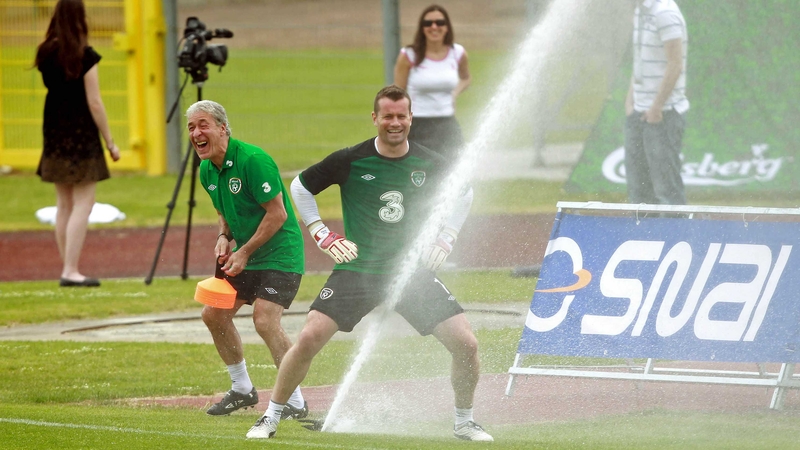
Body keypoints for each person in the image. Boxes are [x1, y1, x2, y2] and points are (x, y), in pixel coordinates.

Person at [245, 86, 493, 442]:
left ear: (411, 119)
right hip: (358, 270)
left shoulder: (431, 161)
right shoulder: (350, 159)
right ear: (375, 118)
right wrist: (322, 234)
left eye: (401, 116)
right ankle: (270, 417)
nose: (395, 123)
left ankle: (465, 422)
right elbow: (300, 186)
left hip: (410, 273)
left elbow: (464, 192)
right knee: (310, 337)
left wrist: (446, 237)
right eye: (387, 116)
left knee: (466, 344)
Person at [185, 100, 308, 419]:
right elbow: (222, 208)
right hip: (245, 255)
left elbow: (278, 214)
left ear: (223, 128)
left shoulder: (253, 160)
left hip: (280, 254)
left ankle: (295, 400)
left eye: (203, 125)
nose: (196, 133)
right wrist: (223, 236)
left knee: (265, 320)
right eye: (191, 127)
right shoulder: (205, 168)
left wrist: (243, 252)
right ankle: (242, 389)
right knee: (213, 315)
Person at [34, 0, 121, 287]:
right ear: (80, 19)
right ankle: (70, 270)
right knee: (84, 201)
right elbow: (94, 102)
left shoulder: (45, 51)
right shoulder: (84, 55)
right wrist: (110, 141)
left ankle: (67, 267)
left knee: (64, 204)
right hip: (81, 134)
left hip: (54, 131)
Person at [624, 0, 689, 205]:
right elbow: (640, 60)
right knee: (639, 191)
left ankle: (676, 236)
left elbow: (675, 63)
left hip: (663, 116)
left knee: (667, 190)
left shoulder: (665, 13)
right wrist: (630, 101)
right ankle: (643, 236)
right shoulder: (639, 12)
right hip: (638, 113)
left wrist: (656, 107)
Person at [393, 4, 471, 162]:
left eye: (440, 22)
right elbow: (398, 92)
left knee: (453, 168)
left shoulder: (458, 53)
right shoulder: (409, 55)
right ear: (422, 28)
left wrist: (454, 94)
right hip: (418, 124)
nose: (434, 27)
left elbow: (466, 78)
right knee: (420, 171)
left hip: (447, 123)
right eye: (428, 23)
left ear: (447, 27)